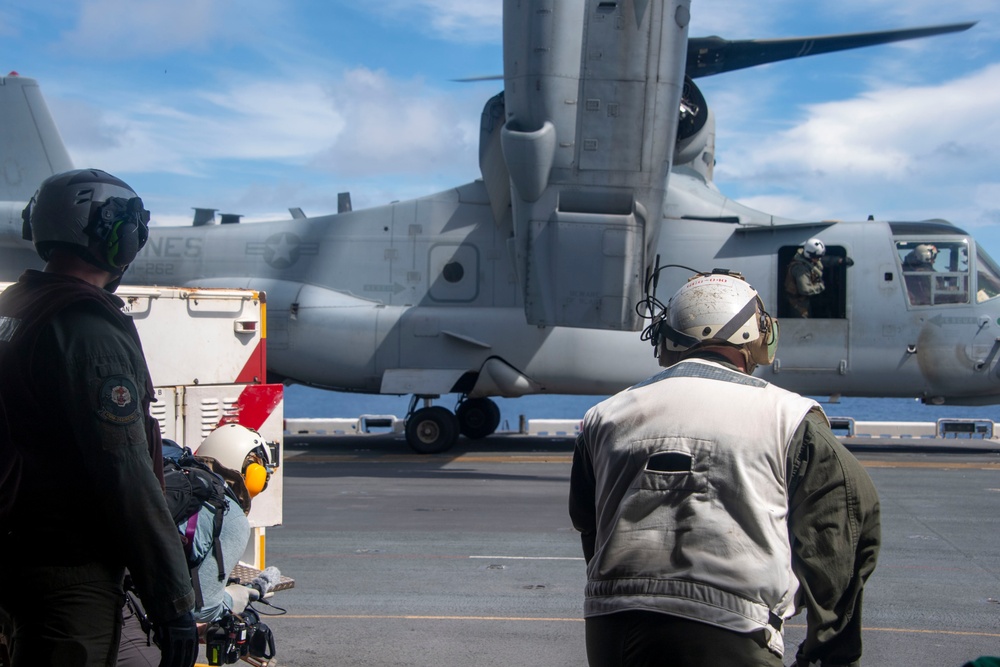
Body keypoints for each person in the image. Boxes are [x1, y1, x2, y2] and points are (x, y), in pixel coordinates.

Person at [569, 270, 881, 667]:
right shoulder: (790, 417)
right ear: (759, 336)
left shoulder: (603, 416)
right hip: (730, 625)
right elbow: (845, 530)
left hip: (610, 625)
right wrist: (830, 653)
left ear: (666, 339)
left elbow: (590, 526)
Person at [0, 169, 198, 667]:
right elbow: (126, 474)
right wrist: (173, 602)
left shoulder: (19, 307)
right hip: (69, 570)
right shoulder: (88, 331)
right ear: (115, 232)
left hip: (17, 545)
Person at [117, 424, 281, 666]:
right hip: (113, 595)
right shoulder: (229, 514)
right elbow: (201, 609)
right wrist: (242, 595)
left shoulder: (174, 476)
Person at [784, 237, 855, 317]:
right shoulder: (801, 270)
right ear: (810, 255)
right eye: (817, 257)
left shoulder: (807, 258)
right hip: (798, 304)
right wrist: (820, 286)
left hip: (803, 301)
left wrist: (839, 260)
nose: (819, 259)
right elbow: (804, 290)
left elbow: (824, 261)